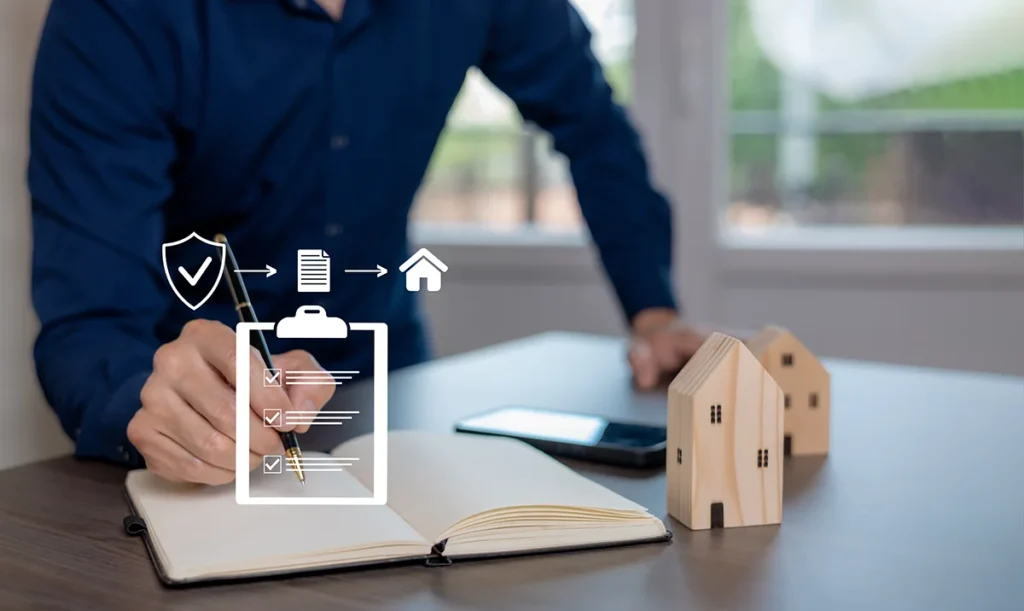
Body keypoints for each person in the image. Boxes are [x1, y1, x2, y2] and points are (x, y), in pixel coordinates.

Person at [28, 0, 707, 486]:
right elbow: (88, 324)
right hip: (212, 419)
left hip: (393, 386)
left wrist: (655, 310)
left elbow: (593, 125)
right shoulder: (112, 15)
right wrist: (147, 402)